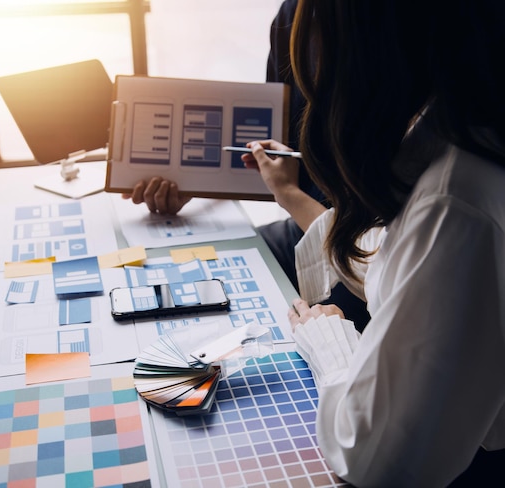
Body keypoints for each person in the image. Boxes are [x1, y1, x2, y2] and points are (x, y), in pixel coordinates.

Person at [245, 0, 505, 486]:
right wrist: (292, 197)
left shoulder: (453, 205)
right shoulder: (459, 139)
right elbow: (402, 263)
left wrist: (329, 340)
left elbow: (372, 459)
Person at [123, 0, 372, 332]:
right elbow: (273, 150)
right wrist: (195, 181)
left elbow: (375, 261)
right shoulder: (294, 13)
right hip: (304, 230)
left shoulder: (388, 29)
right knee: (197, 270)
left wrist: (288, 193)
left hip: (363, 258)